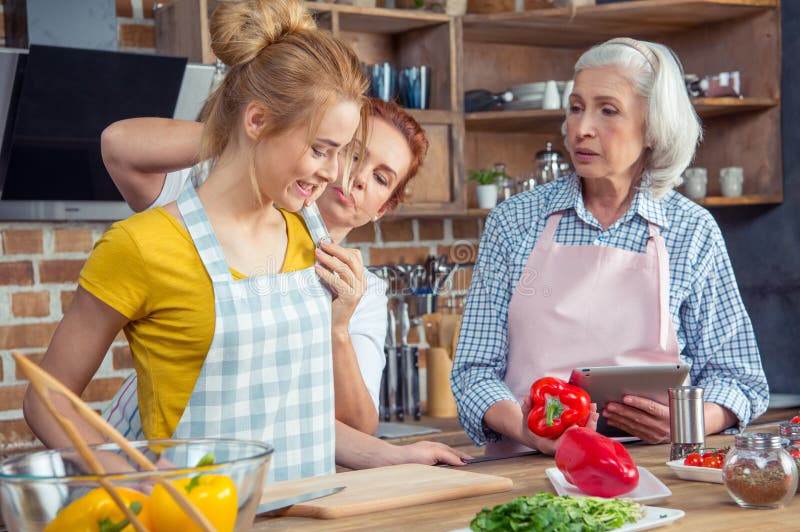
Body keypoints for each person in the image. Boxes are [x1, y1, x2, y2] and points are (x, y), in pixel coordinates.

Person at [23, 0, 464, 482]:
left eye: (344, 155)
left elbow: (289, 417)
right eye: (322, 149)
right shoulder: (143, 245)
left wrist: (390, 454)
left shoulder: (310, 239)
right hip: (196, 516)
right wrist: (132, 474)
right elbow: (47, 400)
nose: (335, 174)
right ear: (256, 121)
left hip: (308, 509)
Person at [451, 37, 769, 455]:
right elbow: (473, 373)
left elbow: (739, 378)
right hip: (527, 463)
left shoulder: (691, 231)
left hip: (653, 463)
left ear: (654, 127)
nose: (581, 128)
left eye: (608, 110)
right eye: (576, 106)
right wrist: (528, 432)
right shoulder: (515, 222)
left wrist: (684, 422)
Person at [101, 98, 426, 436]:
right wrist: (253, 140)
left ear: (382, 209)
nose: (357, 177)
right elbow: (120, 145)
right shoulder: (214, 204)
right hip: (144, 450)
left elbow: (358, 428)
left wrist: (338, 328)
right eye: (352, 154)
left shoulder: (363, 292)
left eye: (381, 178)